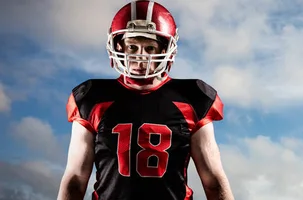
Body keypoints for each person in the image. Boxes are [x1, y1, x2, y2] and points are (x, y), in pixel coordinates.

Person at [56, 1, 235, 199]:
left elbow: (213, 180)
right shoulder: (91, 98)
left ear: (167, 49)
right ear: (117, 47)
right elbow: (75, 179)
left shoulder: (193, 97)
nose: (140, 57)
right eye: (132, 47)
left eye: (150, 48)